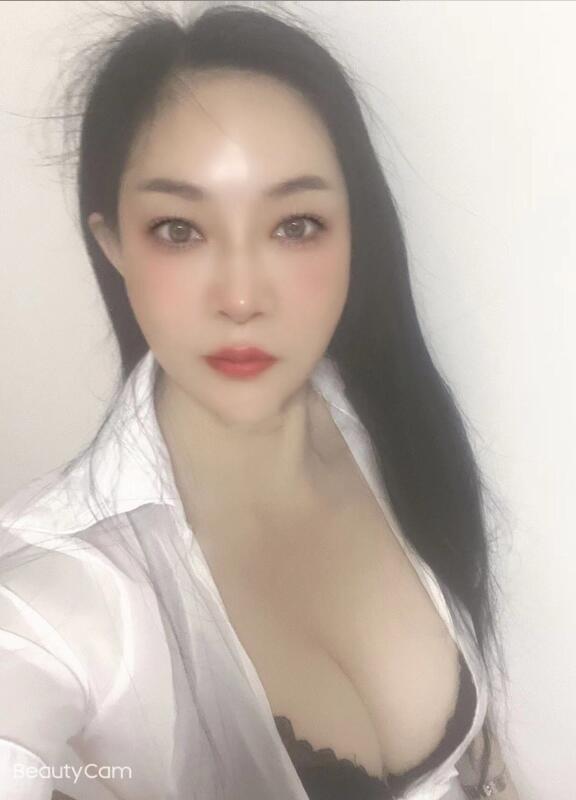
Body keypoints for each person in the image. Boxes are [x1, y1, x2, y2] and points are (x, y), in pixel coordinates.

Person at [0, 3, 521, 799]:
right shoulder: (58, 594)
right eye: (179, 230)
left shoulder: (384, 420)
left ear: (354, 233)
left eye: (295, 225)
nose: (241, 298)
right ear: (113, 246)